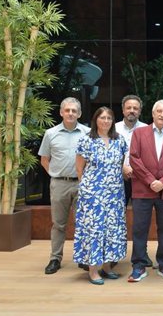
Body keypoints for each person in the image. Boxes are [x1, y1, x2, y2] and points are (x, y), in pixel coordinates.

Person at [128, 100, 163, 282]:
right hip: (142, 189)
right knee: (139, 228)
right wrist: (151, 180)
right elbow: (134, 158)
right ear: (152, 114)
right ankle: (138, 265)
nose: (162, 114)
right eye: (158, 111)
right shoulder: (139, 133)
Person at [73, 107, 128, 285]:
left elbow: (121, 164)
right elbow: (79, 168)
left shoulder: (119, 140)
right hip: (93, 194)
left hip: (114, 193)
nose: (105, 121)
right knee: (94, 230)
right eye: (102, 118)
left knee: (112, 229)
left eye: (109, 118)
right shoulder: (86, 140)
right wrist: (87, 189)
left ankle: (107, 267)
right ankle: (93, 270)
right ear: (95, 120)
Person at [39, 97, 90, 275]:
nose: (70, 113)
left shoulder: (88, 133)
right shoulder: (50, 133)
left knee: (82, 223)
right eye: (67, 110)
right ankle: (55, 259)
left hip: (82, 185)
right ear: (61, 112)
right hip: (59, 184)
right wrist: (55, 175)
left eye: (74, 111)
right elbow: (44, 160)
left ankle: (84, 258)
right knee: (58, 224)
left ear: (79, 113)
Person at [114, 94, 150, 266]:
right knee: (114, 217)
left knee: (141, 220)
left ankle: (141, 255)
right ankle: (113, 256)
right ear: (123, 110)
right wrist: (122, 167)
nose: (132, 111)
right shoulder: (112, 129)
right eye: (129, 107)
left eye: (135, 108)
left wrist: (136, 170)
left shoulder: (147, 129)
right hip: (116, 180)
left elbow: (150, 156)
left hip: (140, 180)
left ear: (140, 111)